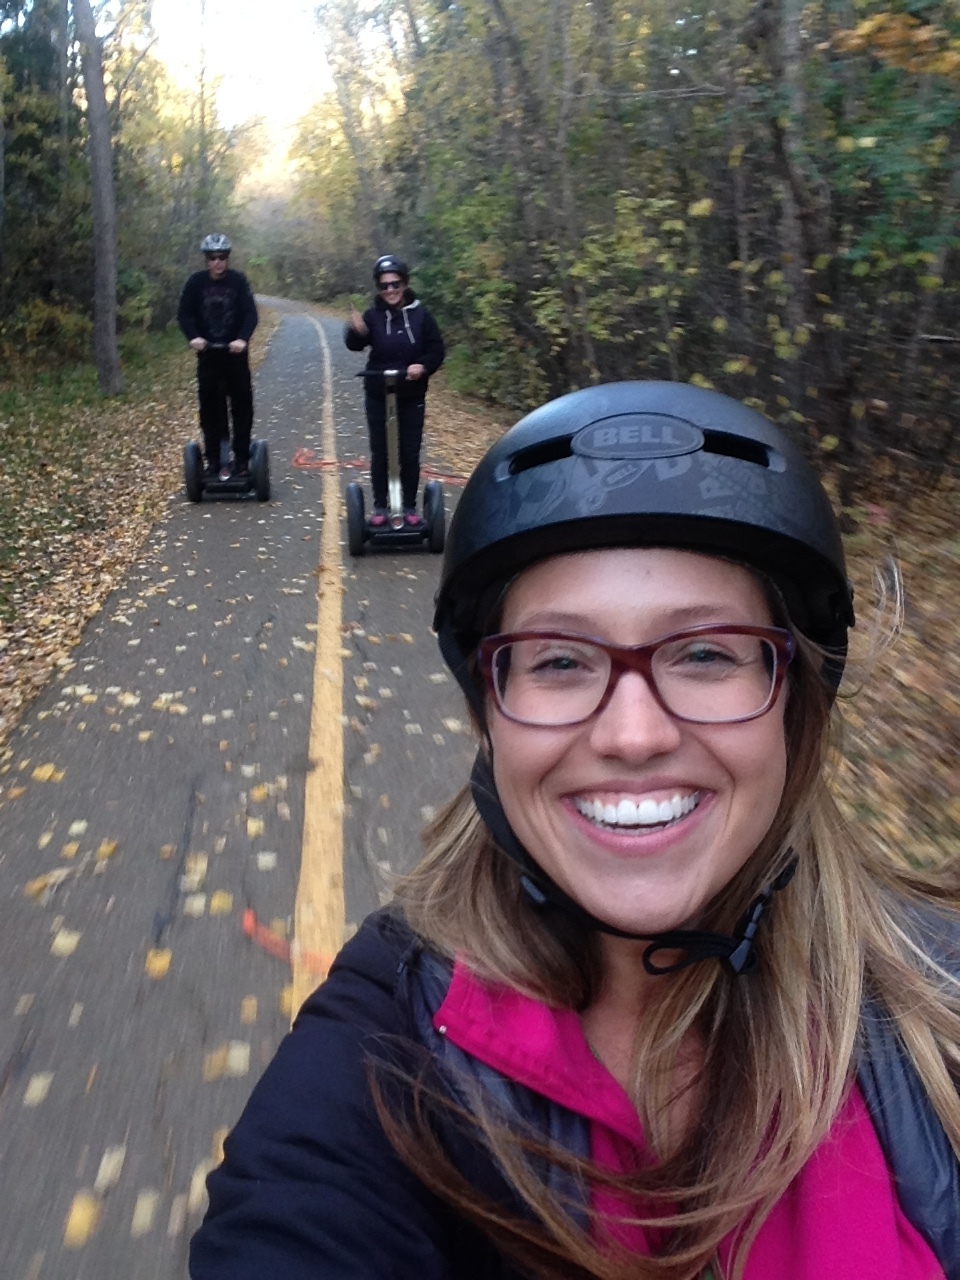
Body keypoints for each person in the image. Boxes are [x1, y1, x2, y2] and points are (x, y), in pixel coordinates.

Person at [190, 382, 960, 1279]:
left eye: (705, 653)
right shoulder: (384, 1039)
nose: (634, 735)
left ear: (794, 701)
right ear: (492, 712)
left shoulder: (939, 1012)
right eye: (559, 660)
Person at [345, 254, 445, 527]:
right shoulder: (372, 316)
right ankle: (380, 506)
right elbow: (355, 344)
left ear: (405, 284)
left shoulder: (422, 315)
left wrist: (422, 366)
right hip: (379, 394)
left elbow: (436, 350)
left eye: (395, 284)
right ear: (379, 287)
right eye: (384, 285)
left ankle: (409, 505)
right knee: (381, 452)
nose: (390, 290)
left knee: (409, 453)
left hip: (411, 395)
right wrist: (357, 331)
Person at [177, 233, 259, 479]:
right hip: (209, 356)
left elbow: (250, 314)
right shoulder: (196, 283)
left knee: (242, 407)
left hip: (235, 357)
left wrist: (242, 339)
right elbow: (184, 314)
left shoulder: (238, 281)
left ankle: (241, 460)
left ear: (227, 258)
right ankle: (214, 460)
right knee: (211, 409)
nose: (217, 262)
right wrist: (193, 337)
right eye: (212, 258)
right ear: (206, 259)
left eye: (222, 257)